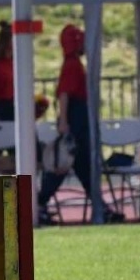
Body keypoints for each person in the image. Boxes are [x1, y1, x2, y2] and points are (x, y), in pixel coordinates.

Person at [36, 24, 108, 225]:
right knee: (65, 164)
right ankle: (40, 202)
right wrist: (65, 120)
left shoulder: (73, 63)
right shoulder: (72, 65)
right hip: (75, 119)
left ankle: (99, 205)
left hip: (77, 117)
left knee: (80, 166)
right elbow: (65, 94)